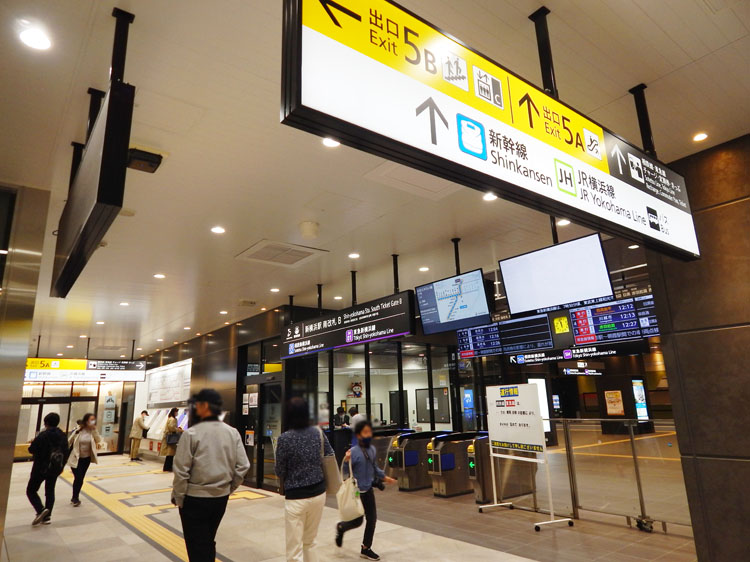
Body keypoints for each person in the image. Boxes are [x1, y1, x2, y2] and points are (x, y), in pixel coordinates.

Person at [172, 389, 249, 562]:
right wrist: (229, 487)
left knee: (196, 543)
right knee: (207, 540)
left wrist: (178, 496)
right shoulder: (232, 432)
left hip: (194, 498)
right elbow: (243, 465)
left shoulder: (191, 434)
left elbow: (181, 470)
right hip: (220, 498)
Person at [275, 397, 334, 562]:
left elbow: (280, 470)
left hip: (296, 497)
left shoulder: (285, 438)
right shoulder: (317, 432)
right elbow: (329, 454)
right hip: (318, 494)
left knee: (294, 548)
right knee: (311, 541)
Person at [335, 420, 396, 561]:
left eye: (369, 432)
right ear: (359, 435)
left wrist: (385, 478)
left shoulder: (372, 450)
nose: (368, 435)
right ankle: (342, 528)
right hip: (357, 493)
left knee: (372, 519)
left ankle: (366, 548)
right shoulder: (353, 453)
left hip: (368, 490)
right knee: (357, 522)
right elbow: (345, 472)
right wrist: (346, 461)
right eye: (365, 432)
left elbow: (374, 468)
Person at [26, 412, 68, 526]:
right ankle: (47, 517)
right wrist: (62, 466)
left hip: (40, 468)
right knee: (50, 491)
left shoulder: (43, 435)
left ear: (46, 422)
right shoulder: (63, 436)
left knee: (31, 490)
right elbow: (66, 452)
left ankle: (40, 510)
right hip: (55, 468)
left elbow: (32, 449)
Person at [68, 413, 103, 507]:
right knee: (78, 477)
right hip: (76, 458)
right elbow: (69, 442)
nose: (92, 421)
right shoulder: (78, 430)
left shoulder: (92, 431)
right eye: (91, 420)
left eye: (93, 420)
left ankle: (75, 496)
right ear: (86, 420)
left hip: (86, 459)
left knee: (80, 479)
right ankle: (75, 498)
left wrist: (95, 430)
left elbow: (99, 440)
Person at [160, 407, 183, 472]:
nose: (177, 413)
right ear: (174, 412)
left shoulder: (171, 418)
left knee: (170, 455)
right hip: (171, 438)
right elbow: (172, 428)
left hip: (170, 438)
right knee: (170, 454)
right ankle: (168, 467)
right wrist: (179, 430)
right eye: (176, 412)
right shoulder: (172, 419)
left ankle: (168, 467)